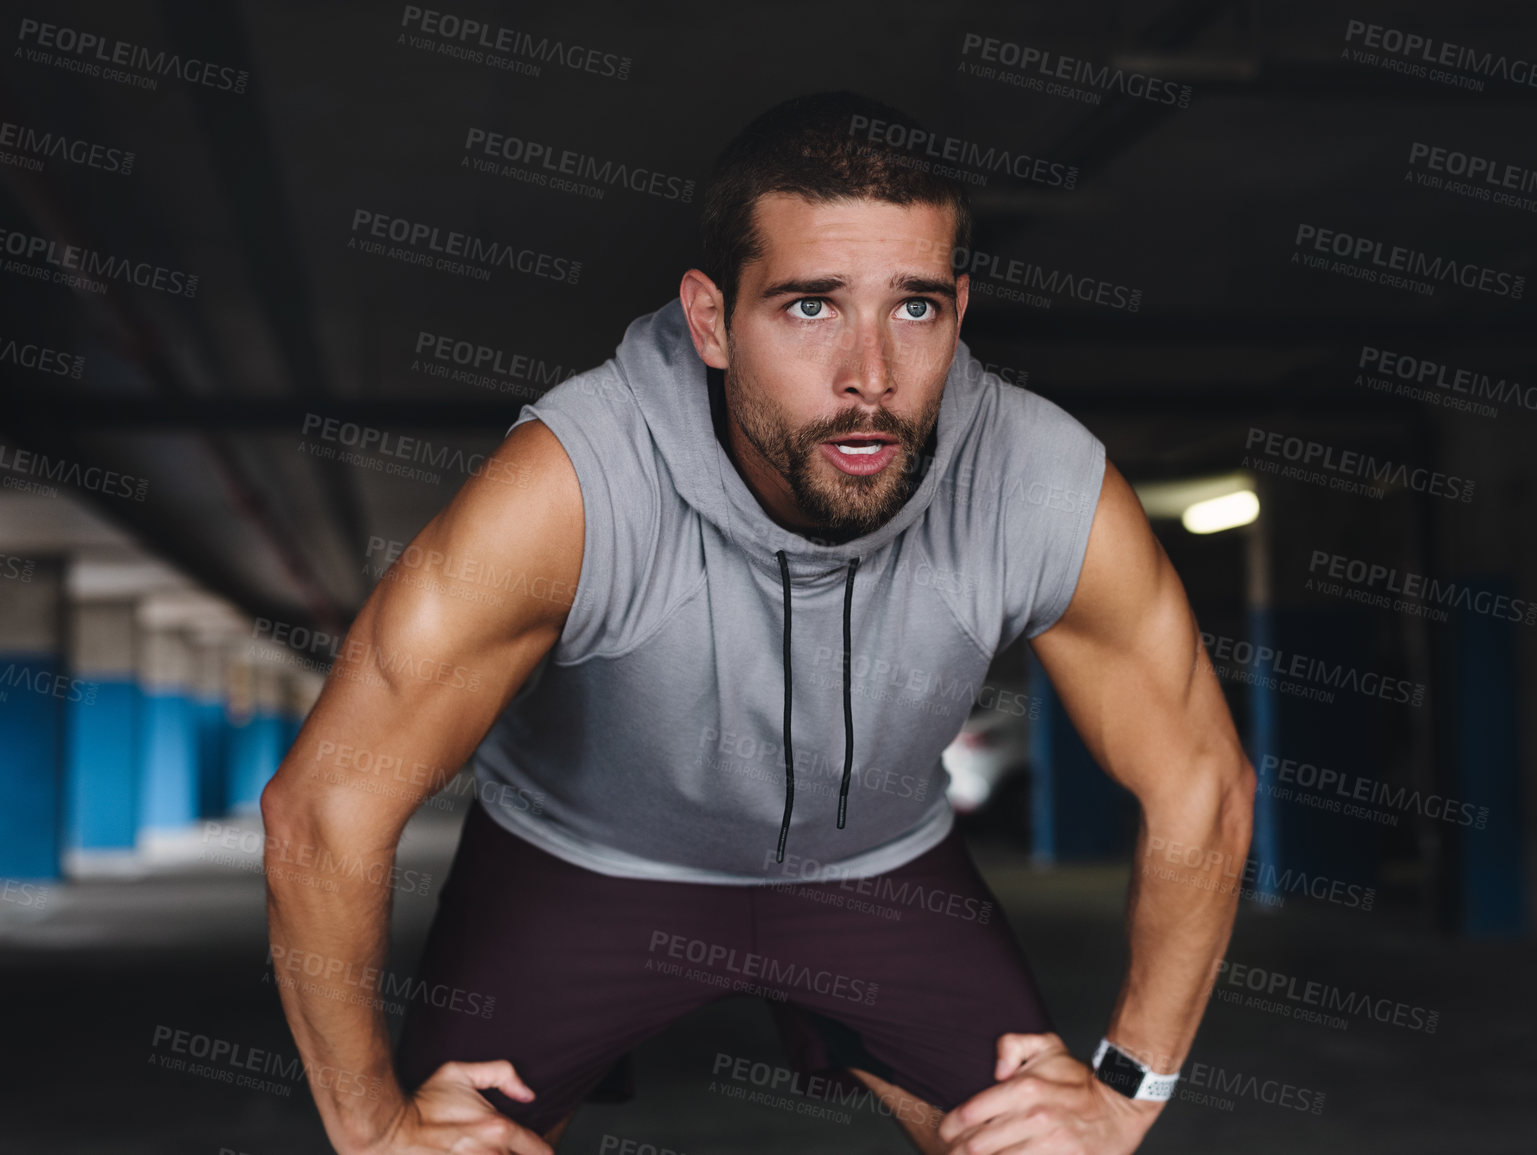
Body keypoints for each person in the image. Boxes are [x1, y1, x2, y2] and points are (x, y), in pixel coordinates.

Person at [260, 89, 1256, 1155]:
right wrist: (368, 1133)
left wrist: (1126, 1094)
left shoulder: (1042, 482)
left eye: (913, 307)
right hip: (580, 867)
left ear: (959, 312)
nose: (869, 376)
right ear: (710, 321)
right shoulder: (570, 490)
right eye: (809, 306)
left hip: (876, 871)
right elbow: (325, 813)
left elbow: (1203, 782)